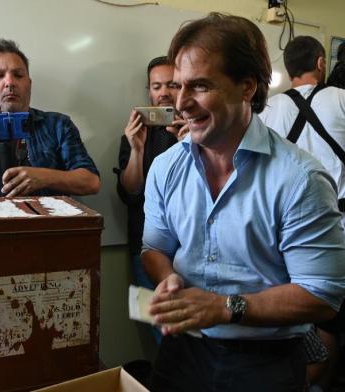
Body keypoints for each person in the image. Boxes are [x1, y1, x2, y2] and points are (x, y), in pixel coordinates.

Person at [142, 13, 345, 392]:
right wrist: (168, 279)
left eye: (199, 86)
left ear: (247, 87)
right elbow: (155, 248)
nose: (181, 103)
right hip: (182, 349)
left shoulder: (300, 179)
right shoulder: (165, 168)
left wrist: (224, 307)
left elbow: (321, 294)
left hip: (265, 358)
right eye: (178, 86)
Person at [0, 39, 100, 271]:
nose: (9, 82)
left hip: (51, 255)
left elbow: (91, 181)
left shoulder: (57, 125)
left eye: (18, 75)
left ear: (29, 83)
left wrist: (45, 177)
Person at [260, 35, 345, 391]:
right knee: (330, 315)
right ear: (321, 62)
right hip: (340, 226)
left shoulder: (267, 110)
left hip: (282, 230)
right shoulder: (342, 99)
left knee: (292, 314)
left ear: (288, 69)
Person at [116, 57, 188, 292]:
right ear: (149, 91)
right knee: (159, 323)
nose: (164, 93)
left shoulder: (201, 131)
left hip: (191, 246)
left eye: (172, 85)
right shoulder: (135, 134)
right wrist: (137, 149)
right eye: (157, 87)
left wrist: (190, 145)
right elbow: (130, 194)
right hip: (148, 246)